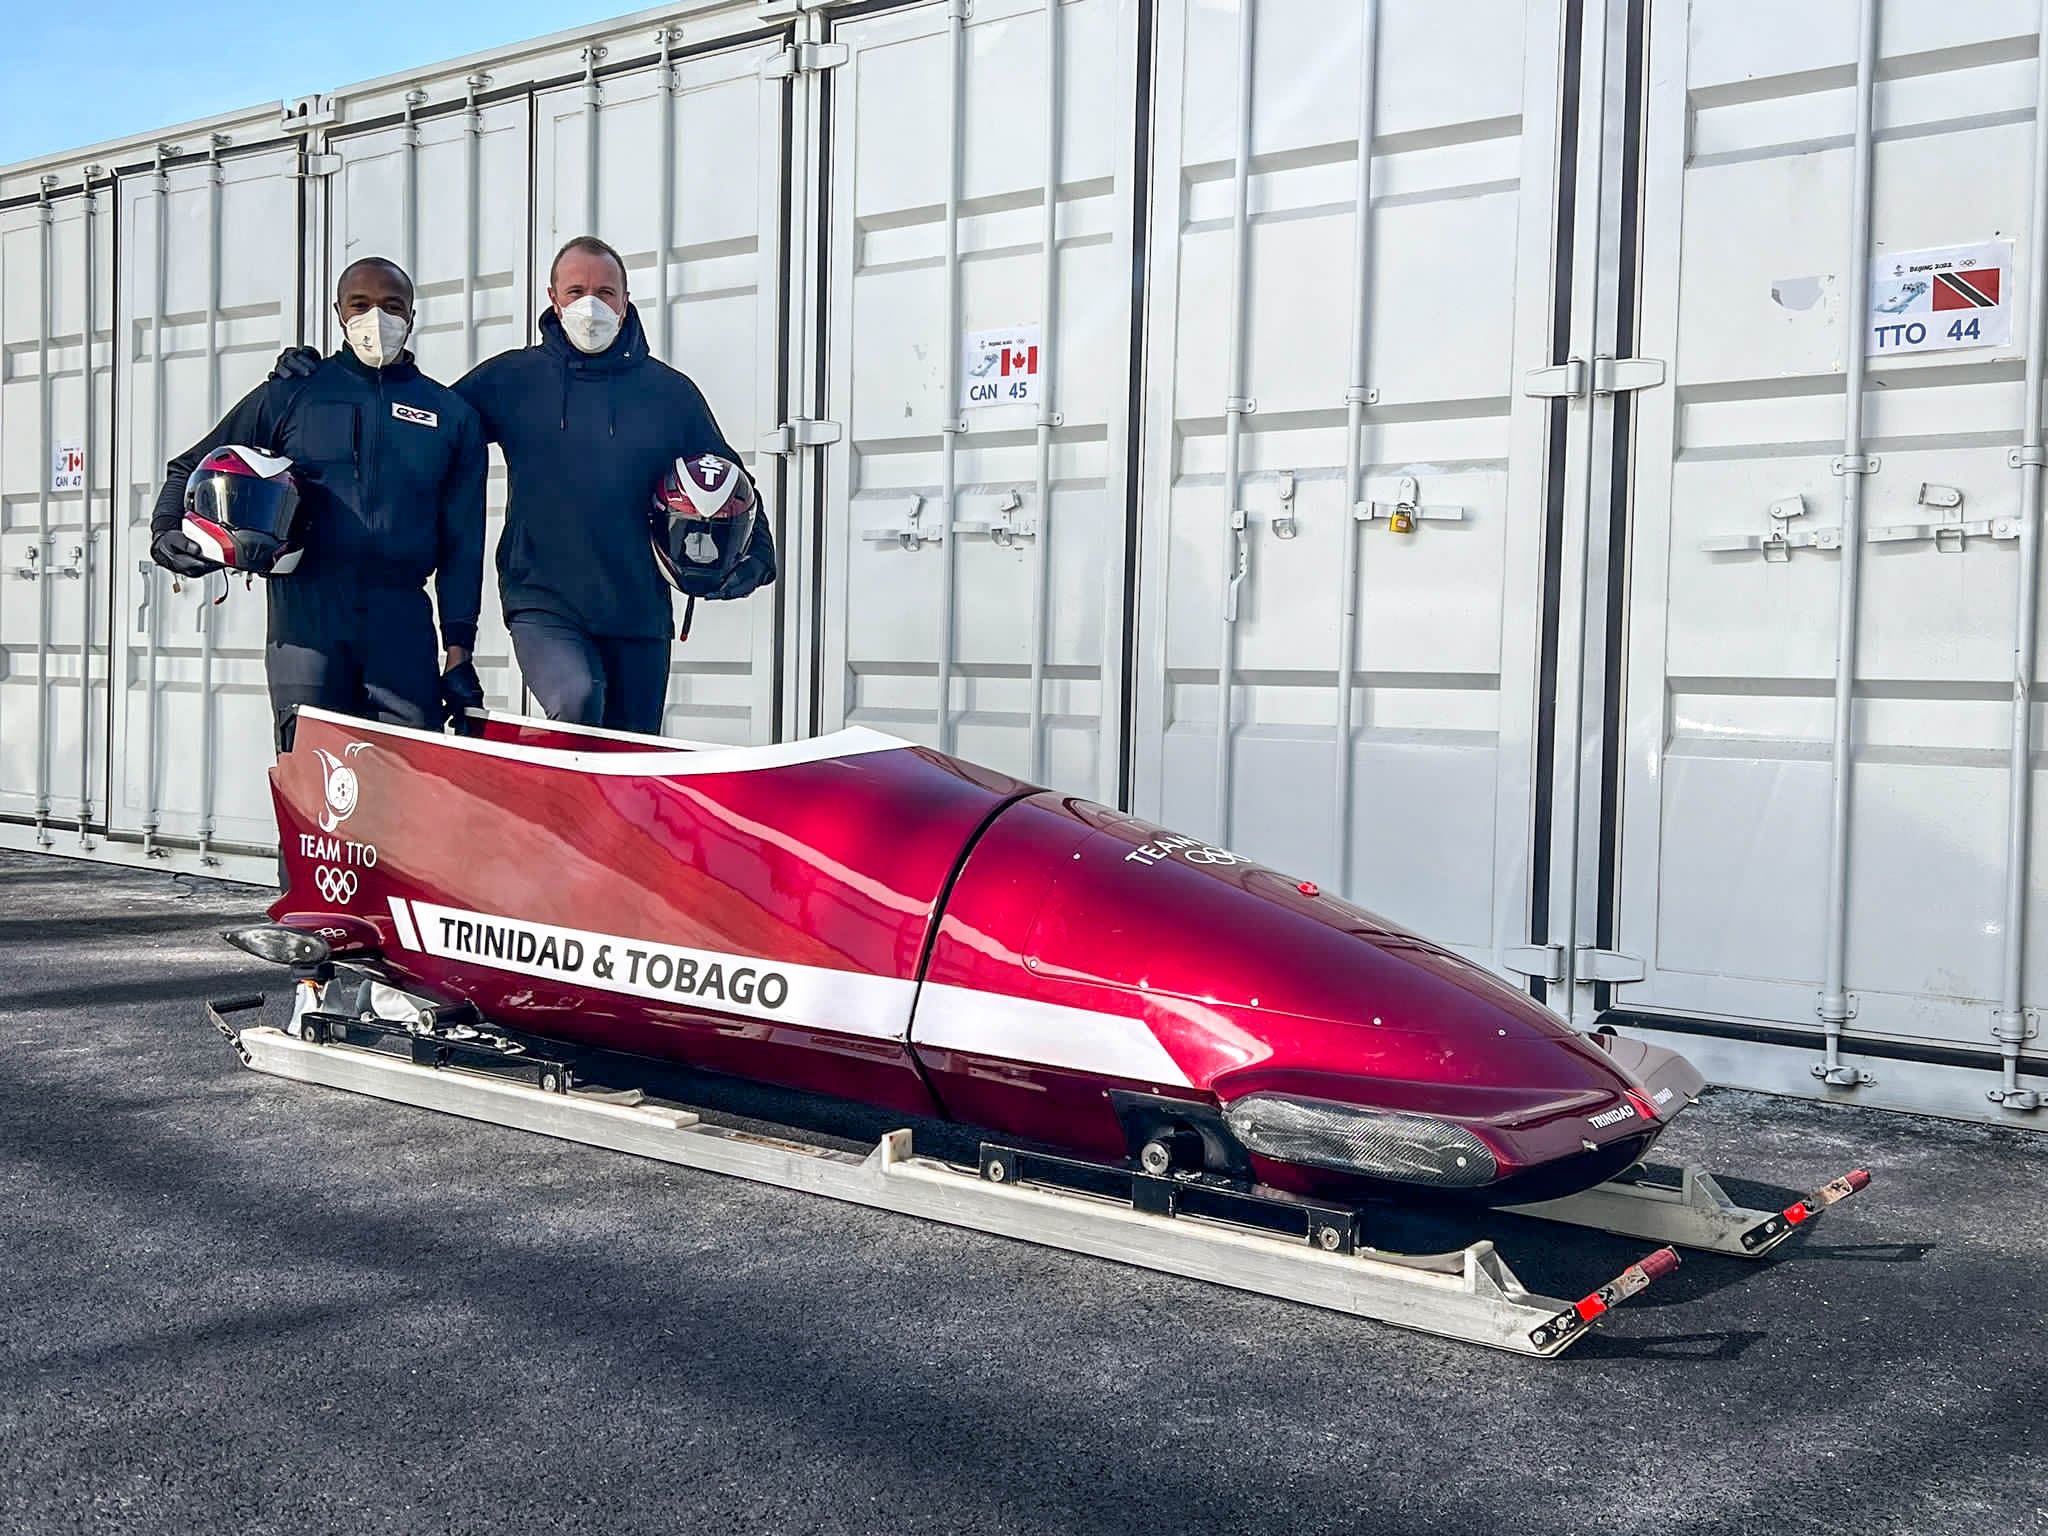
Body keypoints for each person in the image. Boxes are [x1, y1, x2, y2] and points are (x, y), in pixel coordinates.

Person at [274, 235, 773, 735]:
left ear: (626, 301)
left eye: (606, 291)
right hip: (543, 601)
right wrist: (329, 380)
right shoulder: (514, 378)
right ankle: (548, 799)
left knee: (631, 752)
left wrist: (755, 559)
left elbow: (731, 481)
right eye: (576, 291)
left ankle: (564, 814)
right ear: (553, 299)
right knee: (578, 698)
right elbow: (422, 422)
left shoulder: (670, 394)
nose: (591, 304)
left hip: (639, 610)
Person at [155, 256, 487, 751]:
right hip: (306, 619)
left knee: (411, 787)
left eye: (393, 306)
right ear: (339, 313)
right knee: (312, 786)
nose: (378, 318)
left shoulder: (450, 415)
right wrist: (167, 532)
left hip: (400, 620)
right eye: (361, 304)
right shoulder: (292, 393)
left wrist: (459, 650)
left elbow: (464, 543)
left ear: (412, 316)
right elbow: (189, 467)